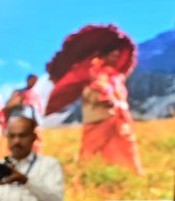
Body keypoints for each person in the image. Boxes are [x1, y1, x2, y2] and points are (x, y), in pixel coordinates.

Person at [46, 23, 143, 174]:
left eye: (118, 56)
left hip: (119, 116)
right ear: (104, 55)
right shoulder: (90, 70)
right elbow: (77, 86)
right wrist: (101, 96)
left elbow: (120, 94)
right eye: (113, 55)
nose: (116, 58)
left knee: (126, 143)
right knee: (92, 147)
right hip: (99, 116)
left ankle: (133, 173)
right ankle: (84, 173)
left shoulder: (117, 77)